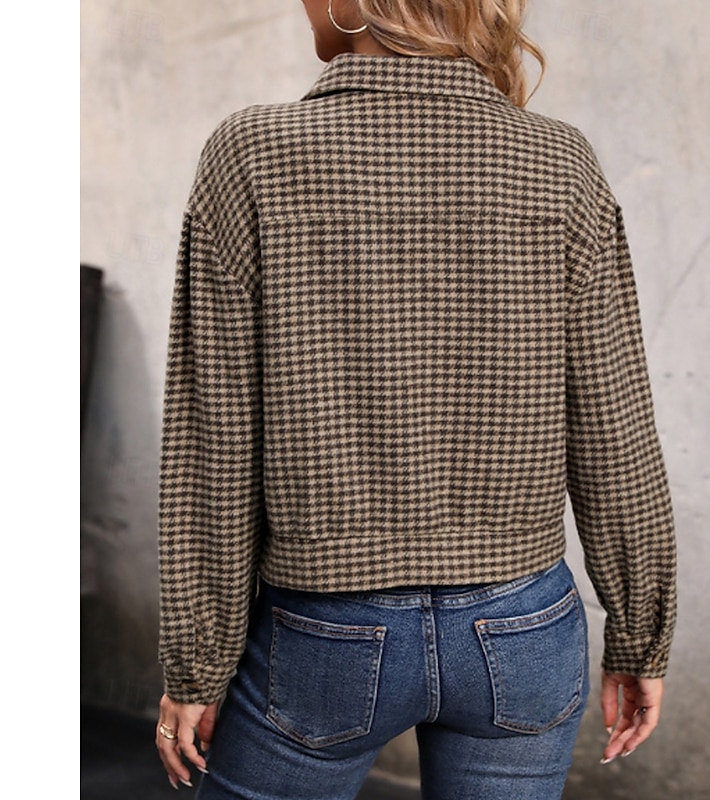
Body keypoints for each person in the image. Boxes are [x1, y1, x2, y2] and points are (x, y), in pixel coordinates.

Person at [155, 1, 678, 797]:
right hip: (523, 625)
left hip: (326, 627)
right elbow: (617, 428)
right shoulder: (559, 161)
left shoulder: (253, 153)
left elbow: (212, 438)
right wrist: (641, 633)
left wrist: (198, 662)